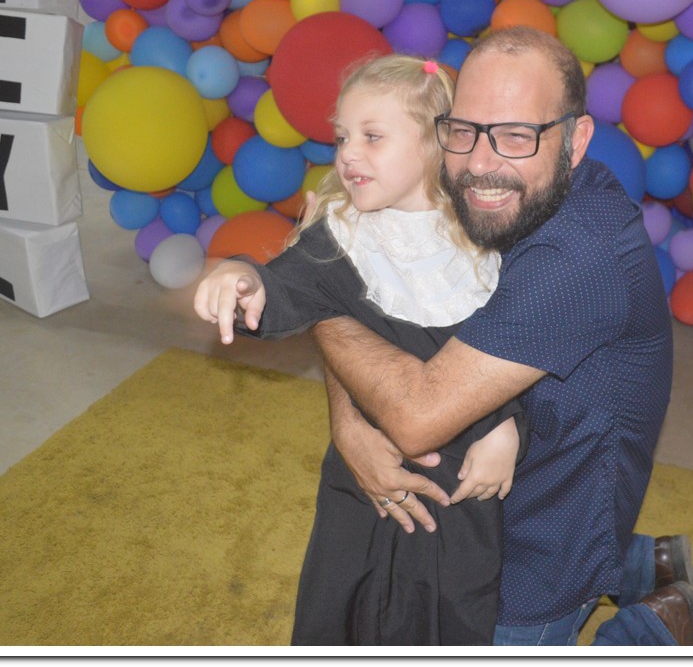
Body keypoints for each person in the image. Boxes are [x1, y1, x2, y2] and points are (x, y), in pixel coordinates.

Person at [289, 27, 693, 646]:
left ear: (575, 140)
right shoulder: (473, 191)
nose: (481, 164)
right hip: (473, 498)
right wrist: (348, 421)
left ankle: (655, 625)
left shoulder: (581, 256)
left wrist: (319, 288)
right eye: (466, 130)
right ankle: (646, 562)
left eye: (515, 135)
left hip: (542, 543)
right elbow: (375, 303)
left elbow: (416, 415)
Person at [194, 54, 528, 645]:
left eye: (373, 137)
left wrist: (508, 427)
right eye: (342, 137)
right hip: (362, 478)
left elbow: (517, 343)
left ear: (435, 142)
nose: (348, 154)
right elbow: (284, 289)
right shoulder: (342, 234)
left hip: (463, 482)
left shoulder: (487, 238)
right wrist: (239, 276)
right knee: (343, 598)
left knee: (449, 608)